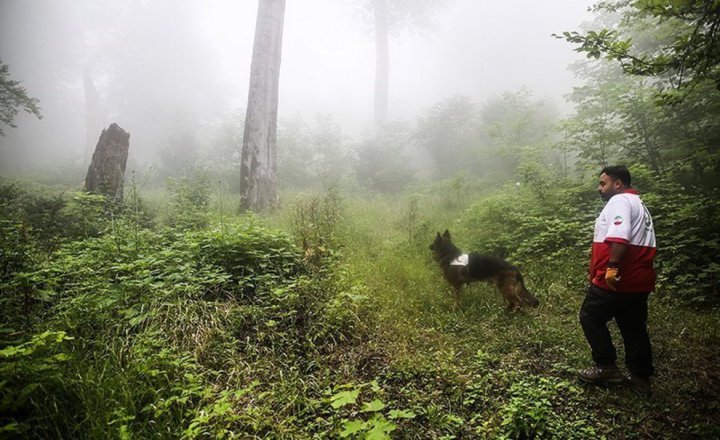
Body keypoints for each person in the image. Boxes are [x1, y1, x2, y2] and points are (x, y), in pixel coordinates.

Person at [578, 165, 657, 396]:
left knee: (590, 316)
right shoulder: (638, 203)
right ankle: (641, 379)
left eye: (603, 183)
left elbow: (620, 237)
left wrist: (611, 268)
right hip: (638, 279)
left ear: (618, 184)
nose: (599, 188)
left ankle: (606, 367)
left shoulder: (620, 201)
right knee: (633, 327)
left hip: (617, 279)